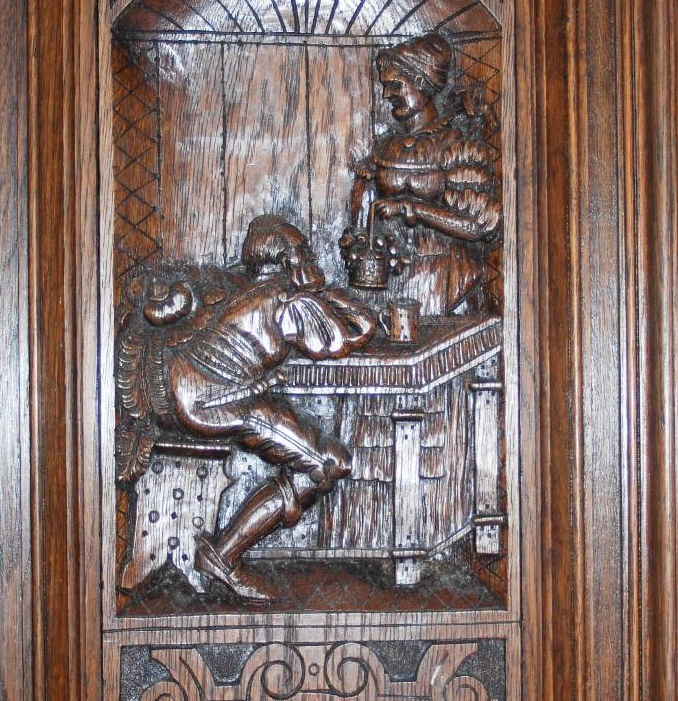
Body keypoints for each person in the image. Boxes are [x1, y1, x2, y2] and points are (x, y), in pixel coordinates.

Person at [163, 215, 376, 601]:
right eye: (303, 251)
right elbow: (355, 331)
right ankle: (224, 556)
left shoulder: (241, 283)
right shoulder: (286, 299)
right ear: (289, 262)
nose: (309, 258)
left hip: (194, 387)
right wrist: (325, 288)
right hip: (218, 400)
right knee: (329, 463)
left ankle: (224, 553)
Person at [347, 32, 501, 317]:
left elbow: (475, 226)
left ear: (420, 81)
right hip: (398, 283)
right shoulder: (385, 146)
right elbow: (363, 218)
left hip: (449, 280)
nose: (386, 95)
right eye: (385, 87)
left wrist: (410, 207)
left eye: (394, 86)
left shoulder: (456, 144)